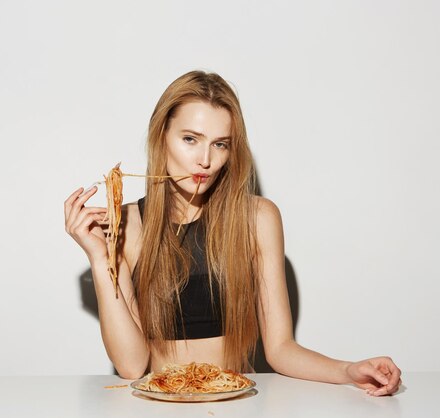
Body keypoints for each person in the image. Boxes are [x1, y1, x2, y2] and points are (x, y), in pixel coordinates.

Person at [64, 70, 401, 396]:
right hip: (160, 403)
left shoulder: (258, 219)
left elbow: (280, 348)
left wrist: (349, 371)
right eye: (190, 139)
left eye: (220, 144)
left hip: (235, 402)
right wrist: (99, 258)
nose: (205, 160)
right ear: (161, 136)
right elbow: (132, 366)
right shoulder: (126, 225)